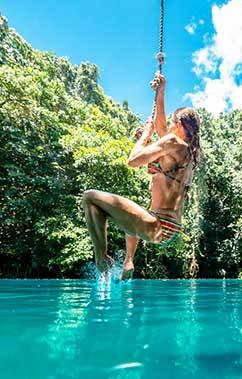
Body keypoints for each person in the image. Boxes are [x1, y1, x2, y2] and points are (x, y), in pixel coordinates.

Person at [81, 72, 202, 280]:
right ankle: (128, 260)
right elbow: (162, 125)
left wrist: (146, 135)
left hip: (157, 224)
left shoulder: (173, 143)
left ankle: (102, 260)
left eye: (173, 123)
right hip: (167, 228)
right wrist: (160, 92)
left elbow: (133, 159)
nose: (168, 127)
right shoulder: (190, 153)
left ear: (180, 126)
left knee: (89, 197)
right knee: (131, 209)